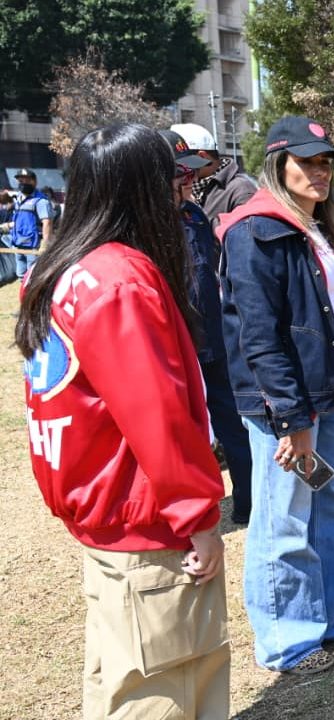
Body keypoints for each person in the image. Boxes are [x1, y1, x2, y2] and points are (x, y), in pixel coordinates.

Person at [17, 124, 229, 717]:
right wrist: (199, 516)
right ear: (142, 190)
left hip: (103, 513)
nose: (184, 194)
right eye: (174, 181)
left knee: (117, 678)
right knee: (167, 690)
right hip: (147, 523)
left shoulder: (60, 268)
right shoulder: (120, 281)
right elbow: (157, 417)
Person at [218, 116, 334, 674]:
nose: (320, 171)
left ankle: (327, 615)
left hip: (327, 397)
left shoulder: (322, 227)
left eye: (326, 162)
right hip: (287, 406)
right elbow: (258, 336)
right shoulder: (255, 229)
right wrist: (292, 419)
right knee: (283, 519)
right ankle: (288, 641)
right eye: (307, 161)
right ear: (277, 164)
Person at [162, 129, 255, 525]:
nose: (190, 179)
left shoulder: (193, 214)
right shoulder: (143, 226)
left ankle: (247, 500)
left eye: (193, 171)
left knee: (232, 423)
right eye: (182, 172)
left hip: (212, 341)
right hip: (173, 350)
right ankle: (187, 512)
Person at [170, 123, 257, 227]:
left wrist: (196, 214)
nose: (180, 170)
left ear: (202, 156)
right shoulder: (186, 186)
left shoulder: (241, 190)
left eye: (182, 163)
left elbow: (246, 233)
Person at [9, 168, 53, 278]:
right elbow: (20, 221)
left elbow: (47, 223)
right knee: (21, 276)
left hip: (33, 246)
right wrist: (5, 227)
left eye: (27, 180)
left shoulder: (41, 201)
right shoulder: (18, 199)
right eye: (20, 181)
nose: (23, 183)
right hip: (17, 243)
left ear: (34, 181)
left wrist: (45, 244)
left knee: (33, 277)